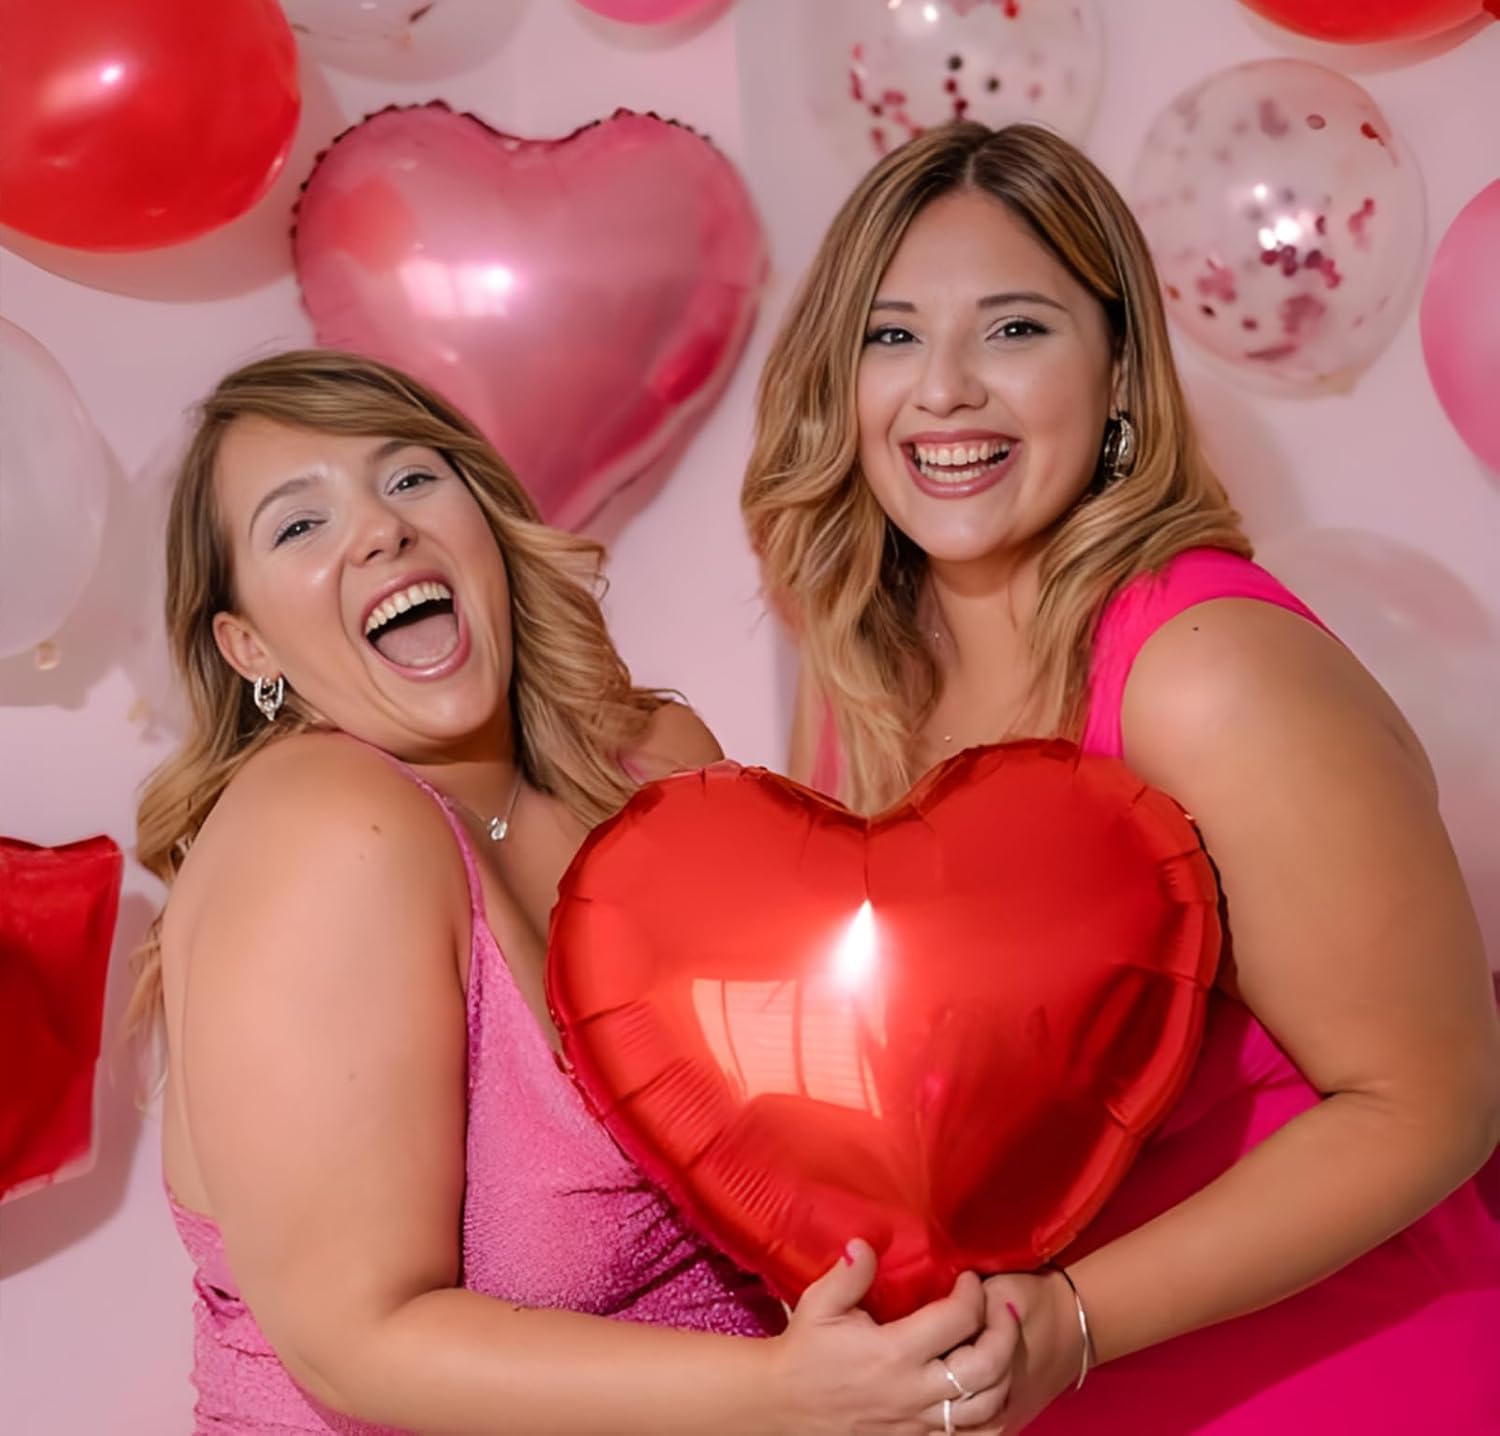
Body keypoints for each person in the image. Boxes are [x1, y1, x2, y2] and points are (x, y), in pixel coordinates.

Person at [741, 121, 1500, 1433]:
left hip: (1337, 1383)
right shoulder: (864, 675)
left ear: (1119, 375)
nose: (944, 389)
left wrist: (1075, 1324)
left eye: (1015, 329)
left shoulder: (1206, 669)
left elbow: (1431, 1104)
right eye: (891, 335)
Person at [128, 350, 1017, 1435]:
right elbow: (353, 1342)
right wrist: (785, 1392)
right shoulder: (320, 828)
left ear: (483, 521)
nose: (380, 531)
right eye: (299, 525)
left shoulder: (657, 764)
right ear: (248, 645)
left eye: (410, 478)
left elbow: (825, 1131)